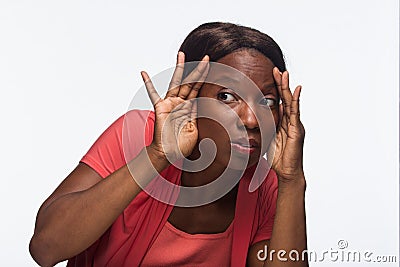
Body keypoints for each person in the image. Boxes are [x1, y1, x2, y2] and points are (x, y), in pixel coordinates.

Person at [29, 22, 308, 267]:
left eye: (267, 101)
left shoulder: (265, 185)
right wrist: (157, 155)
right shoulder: (139, 136)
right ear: (191, 99)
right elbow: (46, 249)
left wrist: (292, 181)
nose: (251, 119)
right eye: (227, 97)